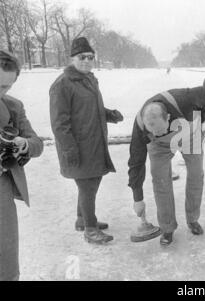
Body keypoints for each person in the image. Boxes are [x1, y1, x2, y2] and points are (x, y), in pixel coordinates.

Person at [50, 37, 124, 244]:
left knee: (90, 183)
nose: (87, 61)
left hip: (93, 143)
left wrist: (109, 114)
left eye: (91, 57)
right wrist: (69, 150)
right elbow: (59, 123)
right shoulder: (62, 84)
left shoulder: (89, 79)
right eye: (82, 57)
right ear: (72, 58)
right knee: (88, 186)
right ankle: (90, 229)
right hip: (77, 147)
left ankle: (82, 219)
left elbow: (89, 108)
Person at [128, 87, 205, 246]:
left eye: (160, 130)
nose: (157, 133)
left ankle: (193, 219)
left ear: (168, 117)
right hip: (160, 147)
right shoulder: (140, 126)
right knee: (160, 182)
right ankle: (167, 227)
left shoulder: (185, 98)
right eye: (152, 131)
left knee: (195, 175)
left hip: (190, 135)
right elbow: (135, 162)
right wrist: (137, 197)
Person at [0, 50, 43, 280]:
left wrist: (23, 144)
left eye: (5, 87)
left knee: (5, 256)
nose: (0, 92)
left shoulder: (13, 107)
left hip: (1, 188)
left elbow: (37, 144)